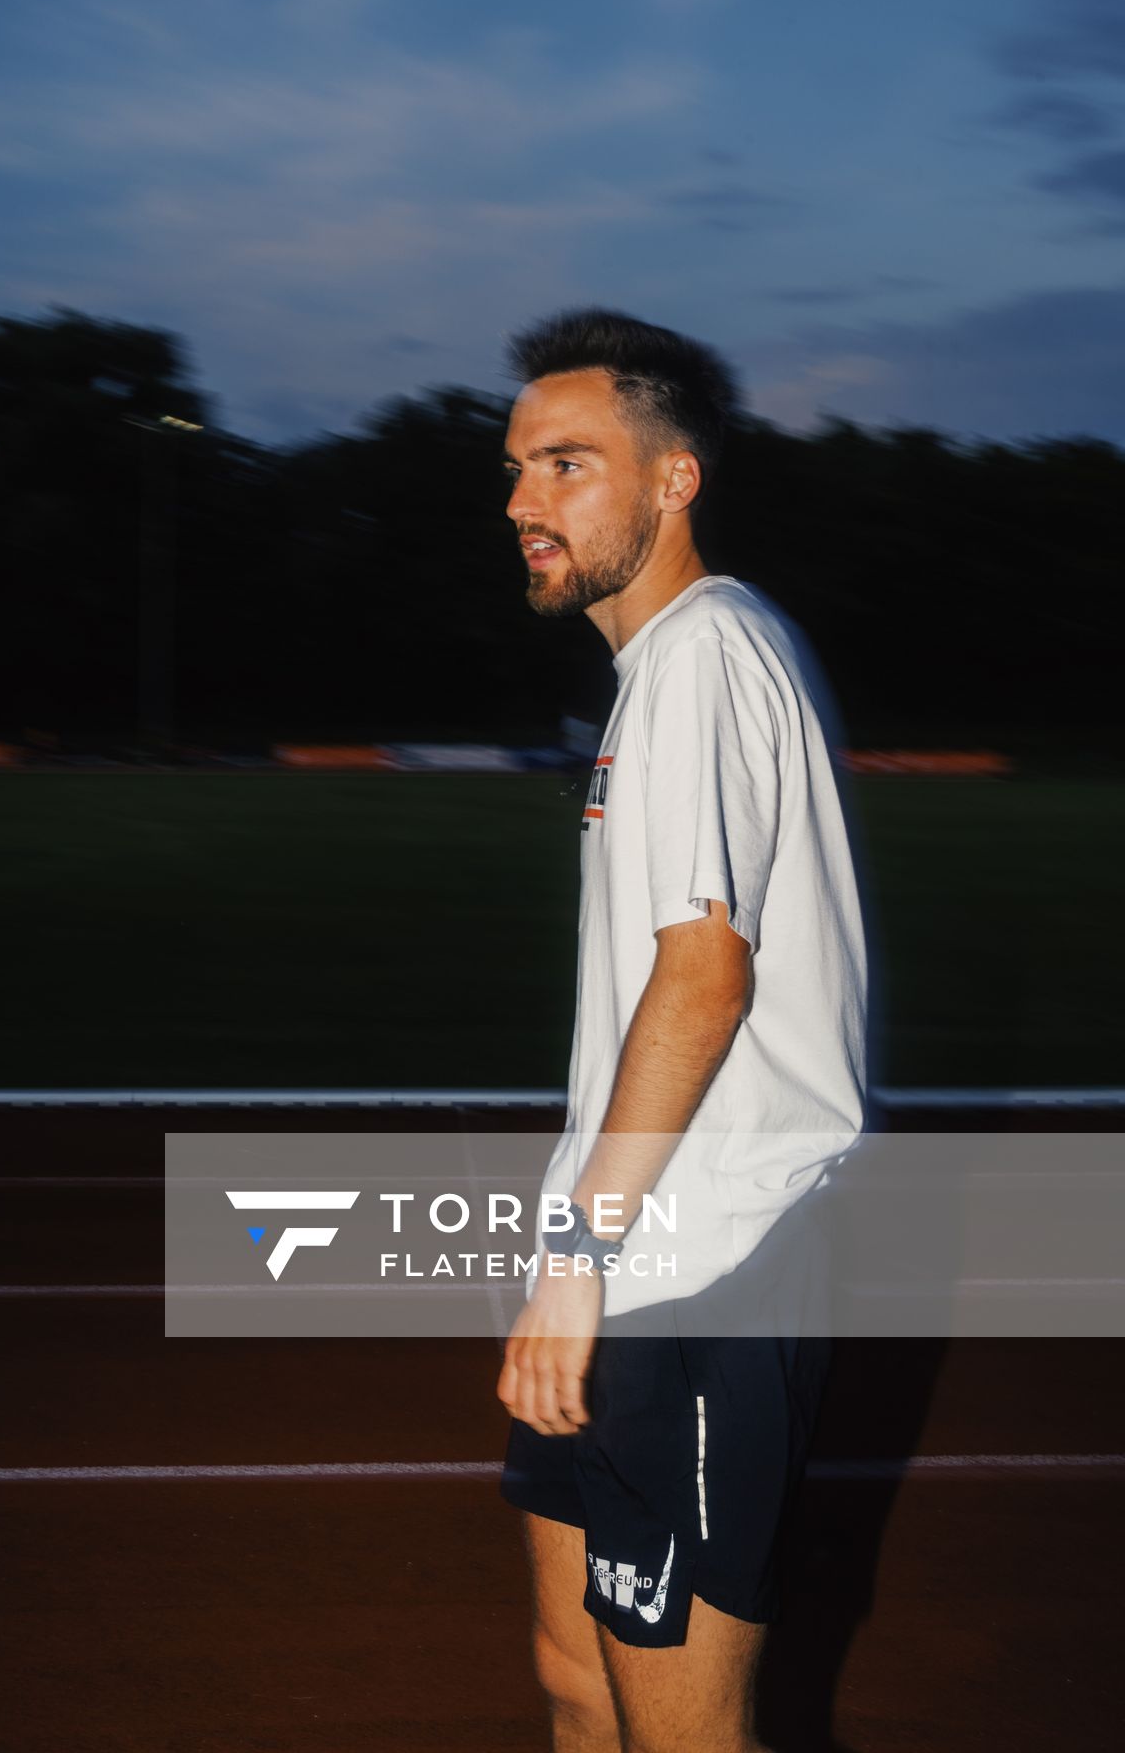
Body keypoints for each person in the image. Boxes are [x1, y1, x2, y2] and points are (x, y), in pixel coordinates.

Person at [494, 308, 867, 1752]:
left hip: (702, 1266)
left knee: (685, 1731)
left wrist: (579, 1257)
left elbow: (706, 977)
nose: (525, 501)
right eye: (518, 468)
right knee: (577, 1677)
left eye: (568, 463)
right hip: (627, 1252)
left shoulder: (705, 653)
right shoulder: (659, 670)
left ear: (674, 478)